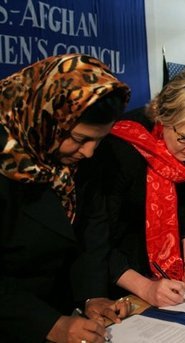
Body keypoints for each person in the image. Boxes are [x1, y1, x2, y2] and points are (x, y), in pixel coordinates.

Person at [0, 54, 131, 343]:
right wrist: (48, 324)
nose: (89, 152)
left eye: (99, 140)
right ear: (47, 118)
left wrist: (91, 295)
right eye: (81, 138)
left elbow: (90, 230)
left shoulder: (80, 158)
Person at [91, 69, 185, 306]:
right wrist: (144, 287)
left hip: (167, 277)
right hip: (117, 280)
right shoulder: (120, 148)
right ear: (163, 116)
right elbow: (96, 235)